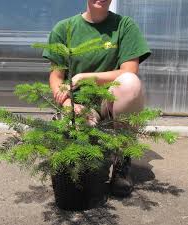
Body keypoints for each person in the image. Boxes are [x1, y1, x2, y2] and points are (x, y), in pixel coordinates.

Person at [42, 0, 151, 197]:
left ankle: (121, 163)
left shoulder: (124, 26)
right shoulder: (64, 28)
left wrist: (86, 77)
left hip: (110, 101)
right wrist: (67, 104)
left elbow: (130, 70)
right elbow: (56, 77)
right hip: (79, 103)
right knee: (74, 141)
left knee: (130, 82)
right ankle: (78, 171)